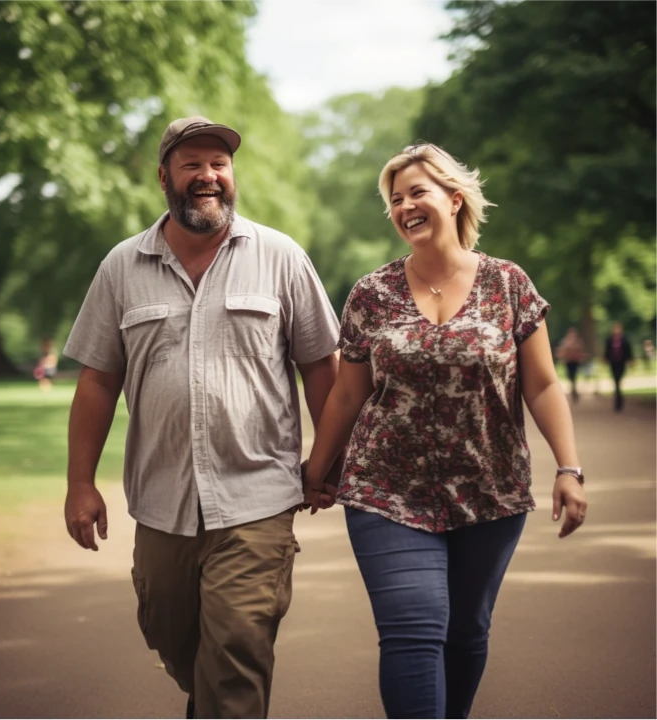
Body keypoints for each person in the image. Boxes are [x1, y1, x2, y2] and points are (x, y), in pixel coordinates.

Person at [61, 116, 341, 720]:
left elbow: (323, 366)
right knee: (170, 634)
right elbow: (97, 380)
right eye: (192, 164)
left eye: (219, 164)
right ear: (164, 176)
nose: (208, 176)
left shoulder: (281, 257)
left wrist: (328, 459)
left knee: (238, 650)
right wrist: (79, 483)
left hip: (257, 498)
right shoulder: (121, 266)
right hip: (161, 502)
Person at [303, 143, 588, 720]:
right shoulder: (370, 294)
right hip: (386, 490)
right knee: (411, 628)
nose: (405, 205)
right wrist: (317, 470)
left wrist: (568, 467)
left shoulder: (508, 284)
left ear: (455, 200)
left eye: (418, 192)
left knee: (466, 630)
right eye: (396, 198)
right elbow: (349, 393)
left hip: (489, 489)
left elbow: (541, 386)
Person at [604, 322, 633, 412]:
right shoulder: (610, 340)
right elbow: (607, 350)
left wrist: (630, 360)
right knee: (616, 381)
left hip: (621, 363)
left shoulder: (624, 339)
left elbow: (628, 350)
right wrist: (605, 359)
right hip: (613, 363)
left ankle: (619, 400)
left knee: (618, 380)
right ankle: (618, 401)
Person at [556, 327, 587, 402]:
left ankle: (574, 390)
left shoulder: (578, 342)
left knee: (574, 376)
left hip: (575, 362)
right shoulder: (565, 342)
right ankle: (574, 390)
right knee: (570, 376)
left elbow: (580, 351)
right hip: (568, 362)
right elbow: (561, 351)